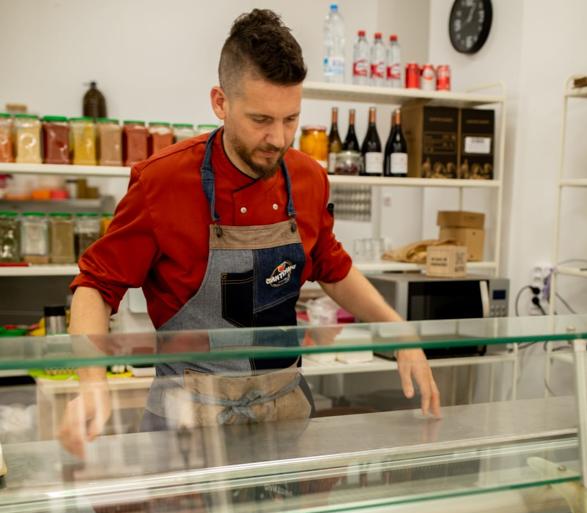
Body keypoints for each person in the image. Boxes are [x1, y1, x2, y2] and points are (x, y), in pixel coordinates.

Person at [61, 9, 440, 457]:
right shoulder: (161, 182)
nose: (278, 139)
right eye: (261, 120)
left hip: (285, 419)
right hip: (187, 426)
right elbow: (95, 287)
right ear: (220, 102)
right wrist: (91, 382)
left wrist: (400, 334)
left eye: (291, 119)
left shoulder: (308, 178)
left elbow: (332, 268)